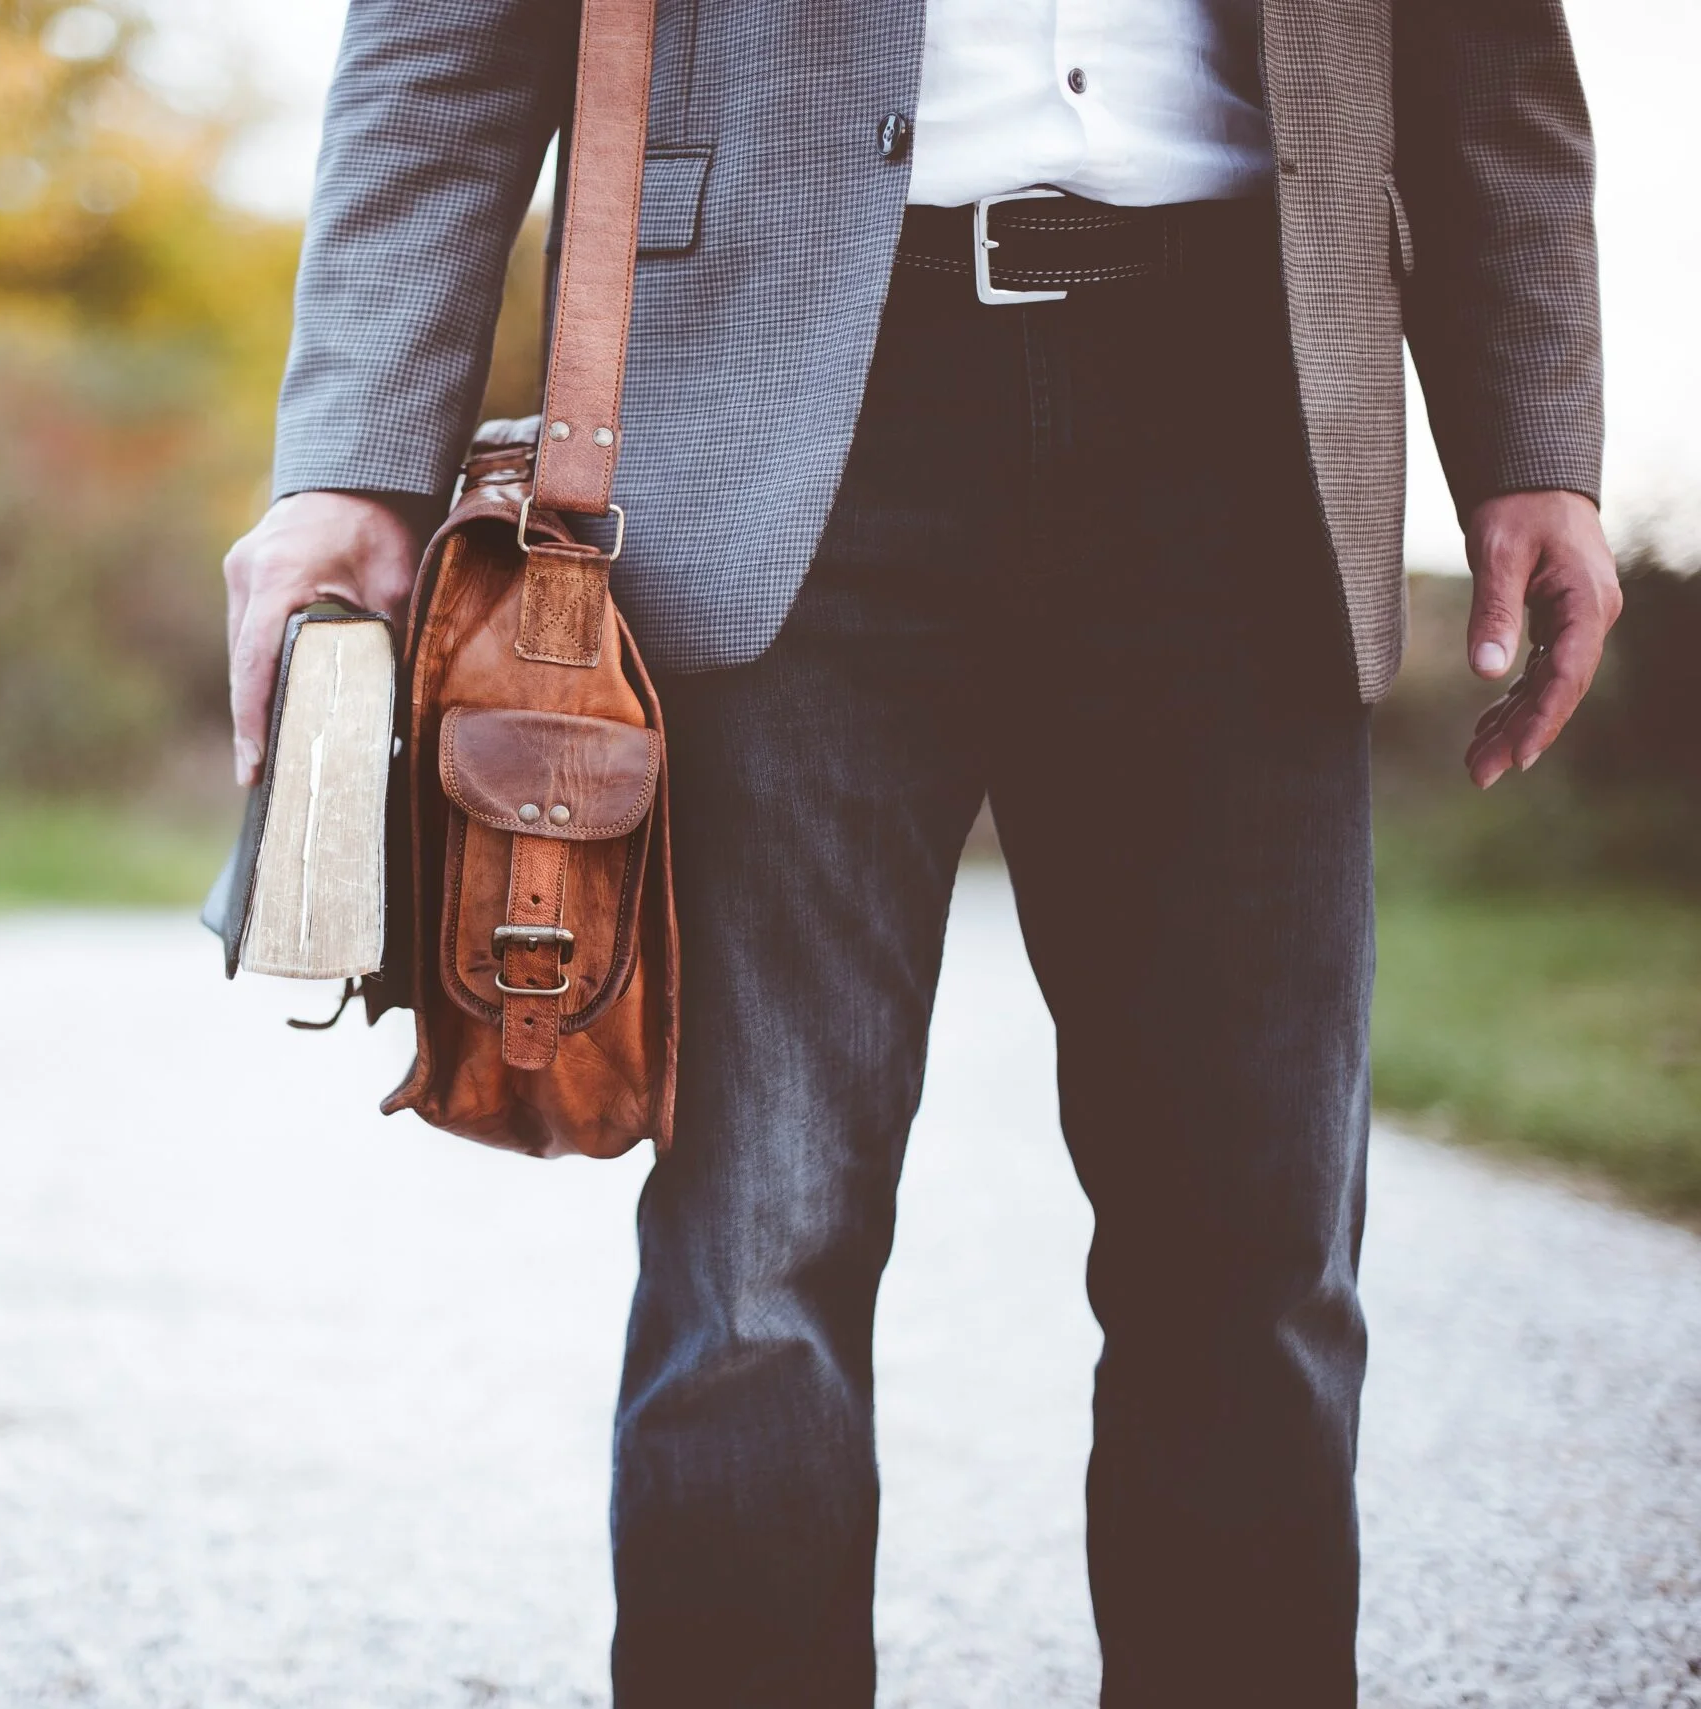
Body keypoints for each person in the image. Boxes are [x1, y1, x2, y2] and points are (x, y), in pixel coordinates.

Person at [221, 1, 1616, 1702]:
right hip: (785, 408)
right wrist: (351, 458)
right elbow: (444, 45)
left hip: (1247, 415)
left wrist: (1536, 435)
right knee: (755, 1258)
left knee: (1256, 1263)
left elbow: (1485, 55)